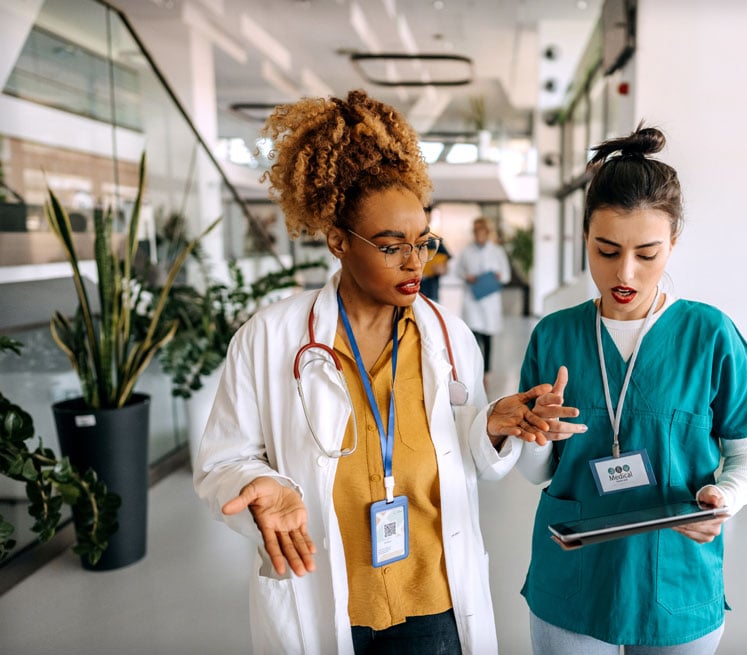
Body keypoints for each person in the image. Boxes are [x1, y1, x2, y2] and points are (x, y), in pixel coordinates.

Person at [192, 90, 567, 655]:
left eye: (424, 243)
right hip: (325, 593)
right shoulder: (270, 338)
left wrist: (491, 427)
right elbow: (224, 458)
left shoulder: (449, 337)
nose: (415, 262)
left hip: (432, 596)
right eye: (392, 247)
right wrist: (258, 484)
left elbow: (470, 463)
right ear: (338, 242)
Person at [485, 125, 747, 654]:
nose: (624, 272)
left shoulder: (708, 334)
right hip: (574, 578)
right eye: (606, 250)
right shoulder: (555, 335)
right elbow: (537, 475)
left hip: (676, 575)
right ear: (585, 238)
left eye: (647, 253)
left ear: (673, 243)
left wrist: (724, 497)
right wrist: (536, 436)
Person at [453, 217, 511, 374]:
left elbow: (506, 276)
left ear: (487, 231)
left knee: (487, 338)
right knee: (473, 337)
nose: (478, 233)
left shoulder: (497, 251)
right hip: (472, 299)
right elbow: (458, 271)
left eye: (481, 230)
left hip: (490, 300)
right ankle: (474, 371)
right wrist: (467, 277)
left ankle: (486, 372)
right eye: (476, 230)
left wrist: (499, 276)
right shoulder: (466, 251)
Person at [420, 205, 451, 302]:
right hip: (413, 294)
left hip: (431, 293)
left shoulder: (436, 241)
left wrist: (441, 269)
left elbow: (445, 268)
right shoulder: (409, 240)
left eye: (427, 214)